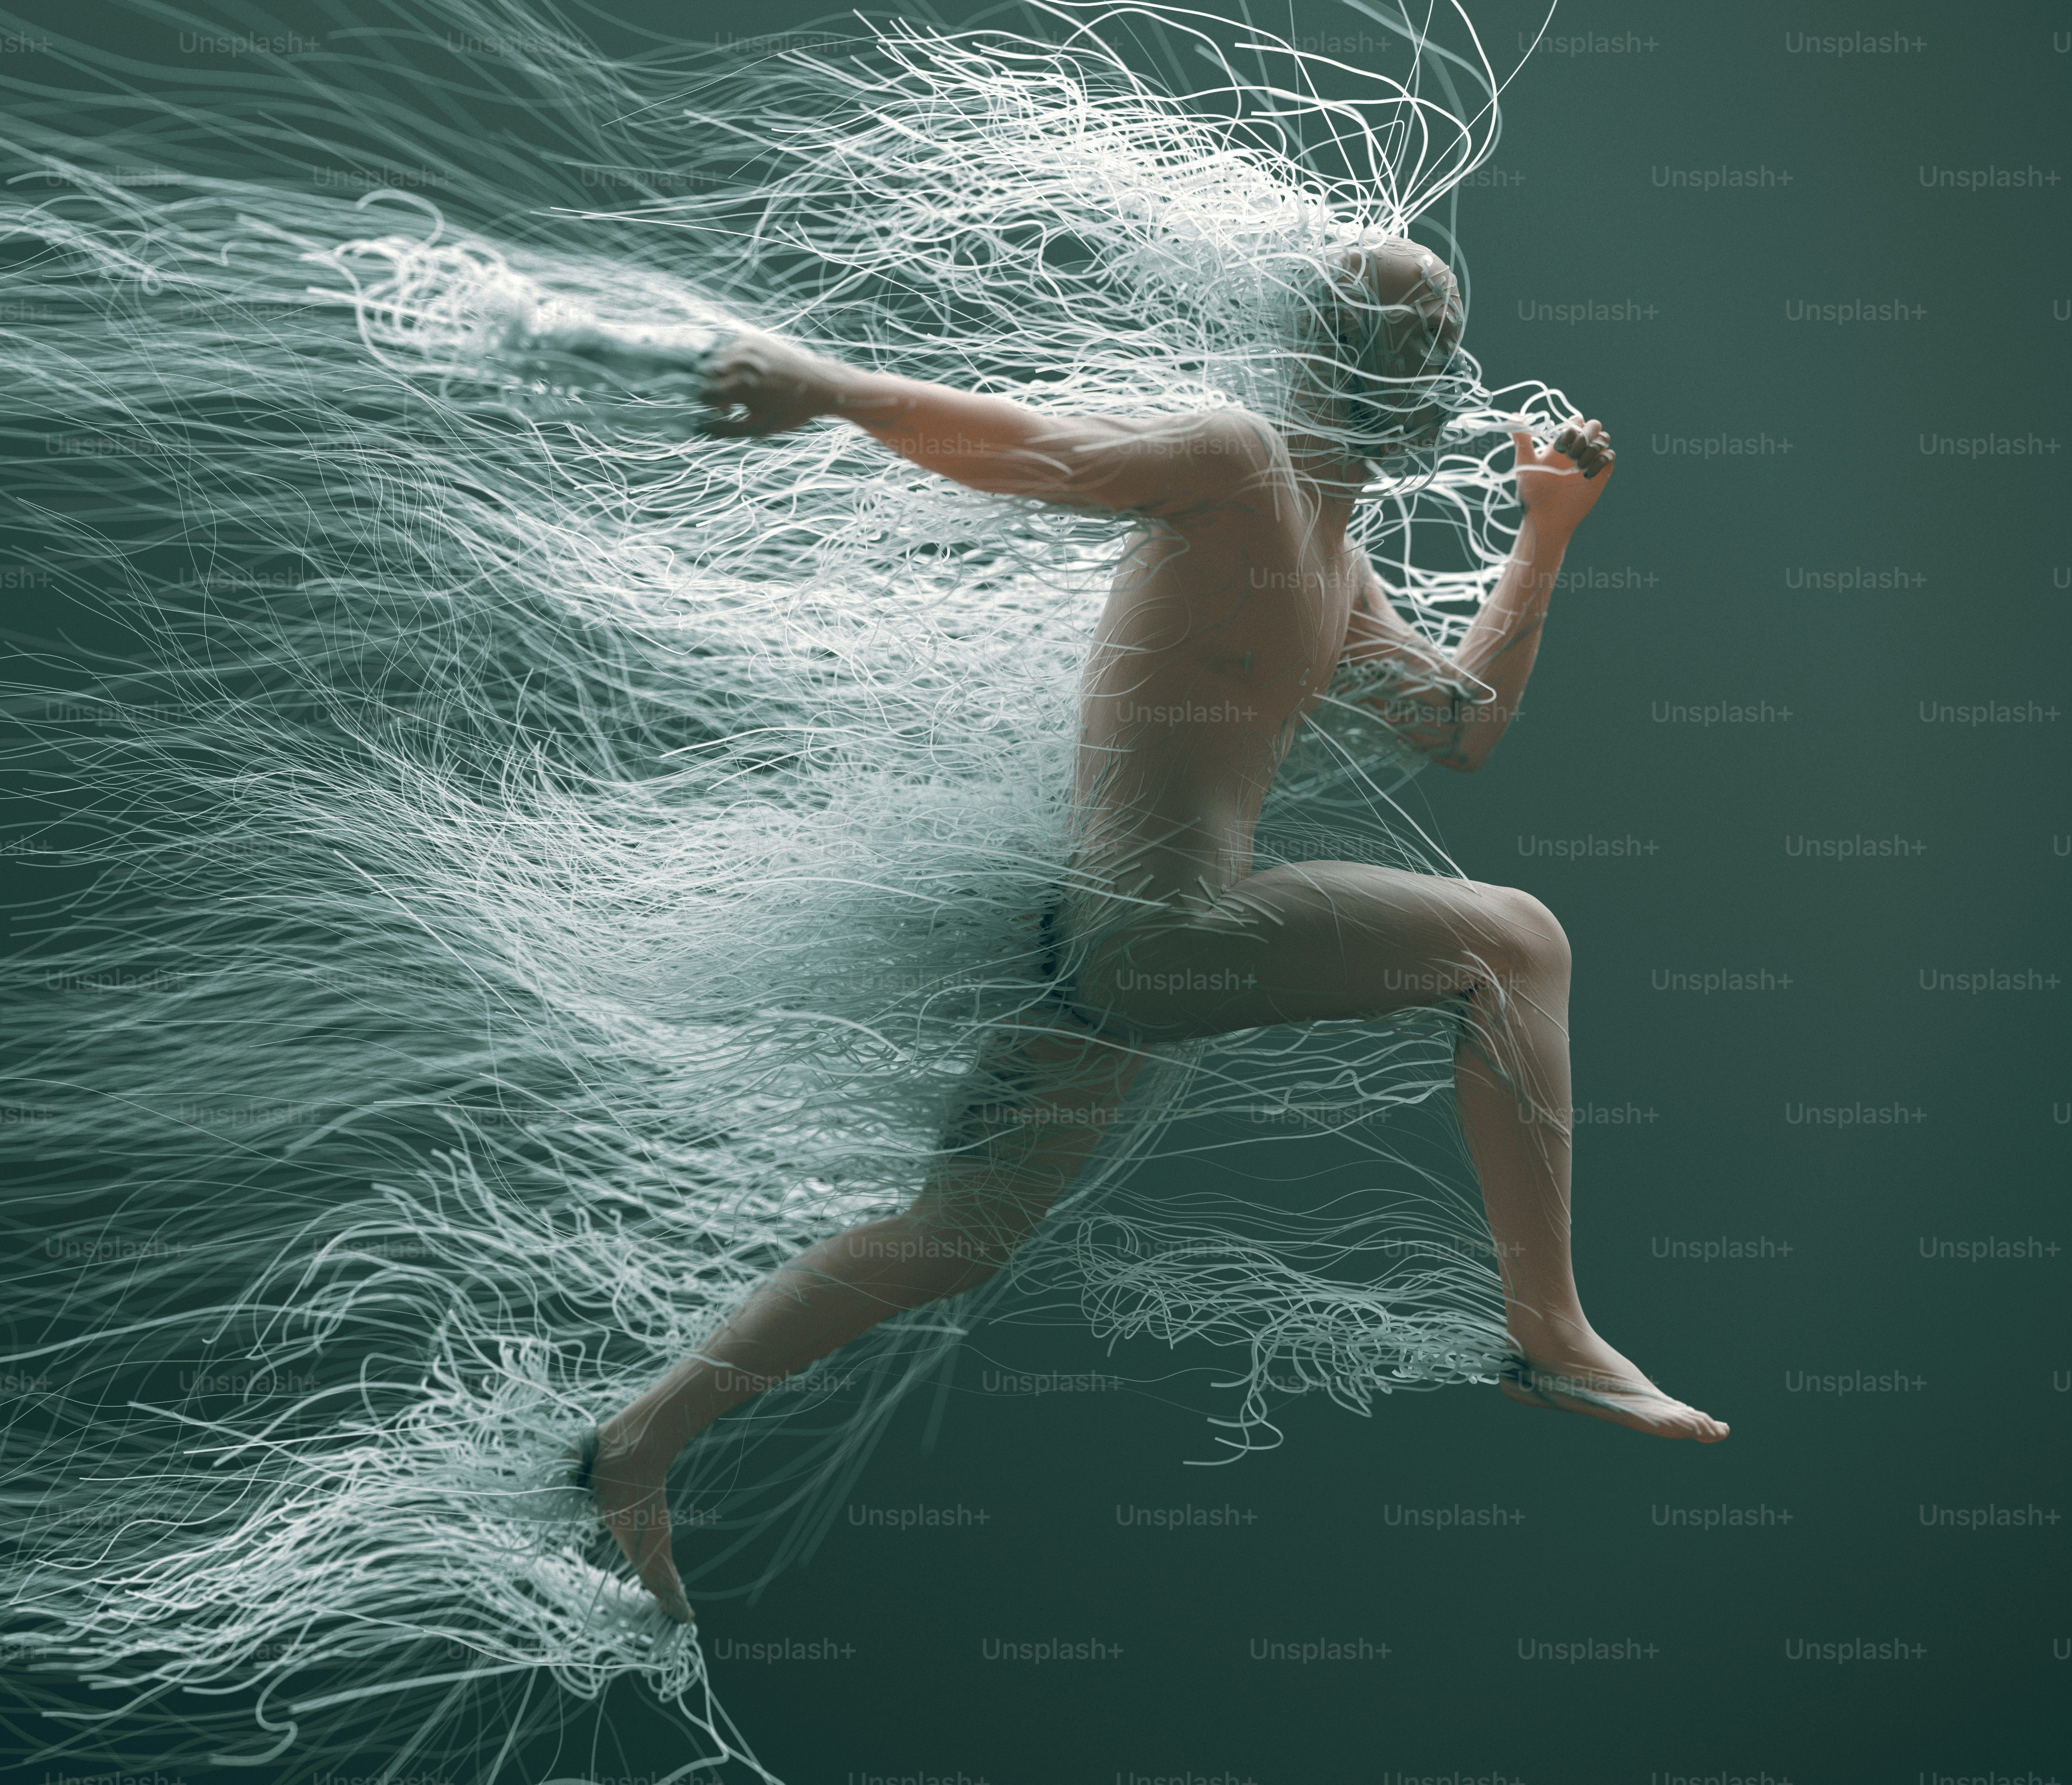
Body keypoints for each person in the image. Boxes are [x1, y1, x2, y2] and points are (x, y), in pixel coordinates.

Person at [584, 238, 1727, 1625]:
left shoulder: (1333, 553)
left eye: (1442, 330)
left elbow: (1460, 725)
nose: (1428, 358)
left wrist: (1545, 535)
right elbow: (1037, 451)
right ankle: (1549, 1334)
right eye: (1396, 327)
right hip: (1162, 927)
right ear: (1320, 349)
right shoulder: (1238, 459)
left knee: (958, 1231)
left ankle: (631, 1450)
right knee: (1516, 942)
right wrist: (826, 388)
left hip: (1099, 959)